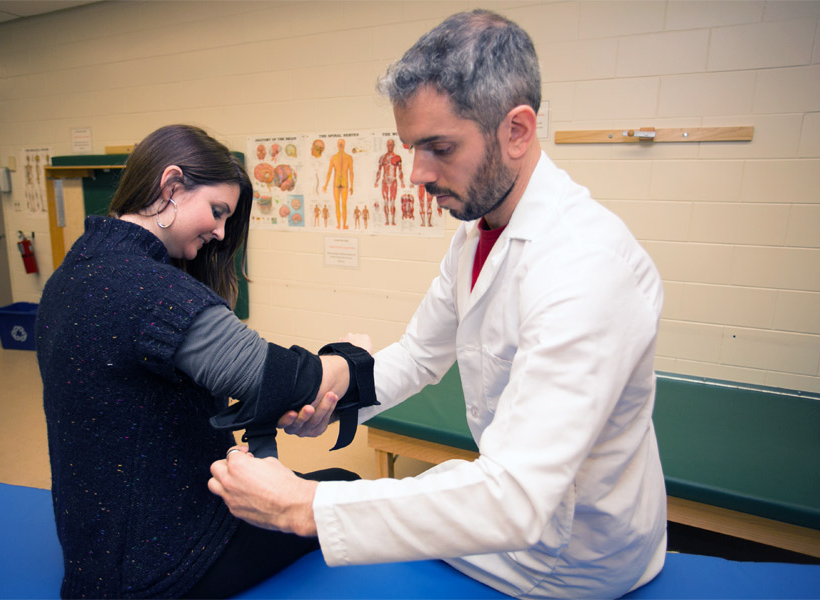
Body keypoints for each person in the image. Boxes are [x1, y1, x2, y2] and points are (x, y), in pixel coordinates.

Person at [209, 10, 667, 599]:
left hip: (573, 554)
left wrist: (306, 503)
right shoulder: (477, 231)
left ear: (517, 130)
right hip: (517, 519)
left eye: (439, 147)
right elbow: (420, 355)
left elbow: (517, 498)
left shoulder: (586, 268)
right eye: (410, 147)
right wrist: (331, 389)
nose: (418, 173)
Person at [36, 124, 376, 599]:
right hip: (160, 565)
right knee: (345, 483)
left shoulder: (71, 274)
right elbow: (294, 382)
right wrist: (353, 357)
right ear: (171, 185)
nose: (219, 232)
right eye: (217, 212)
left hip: (95, 549)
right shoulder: (152, 292)